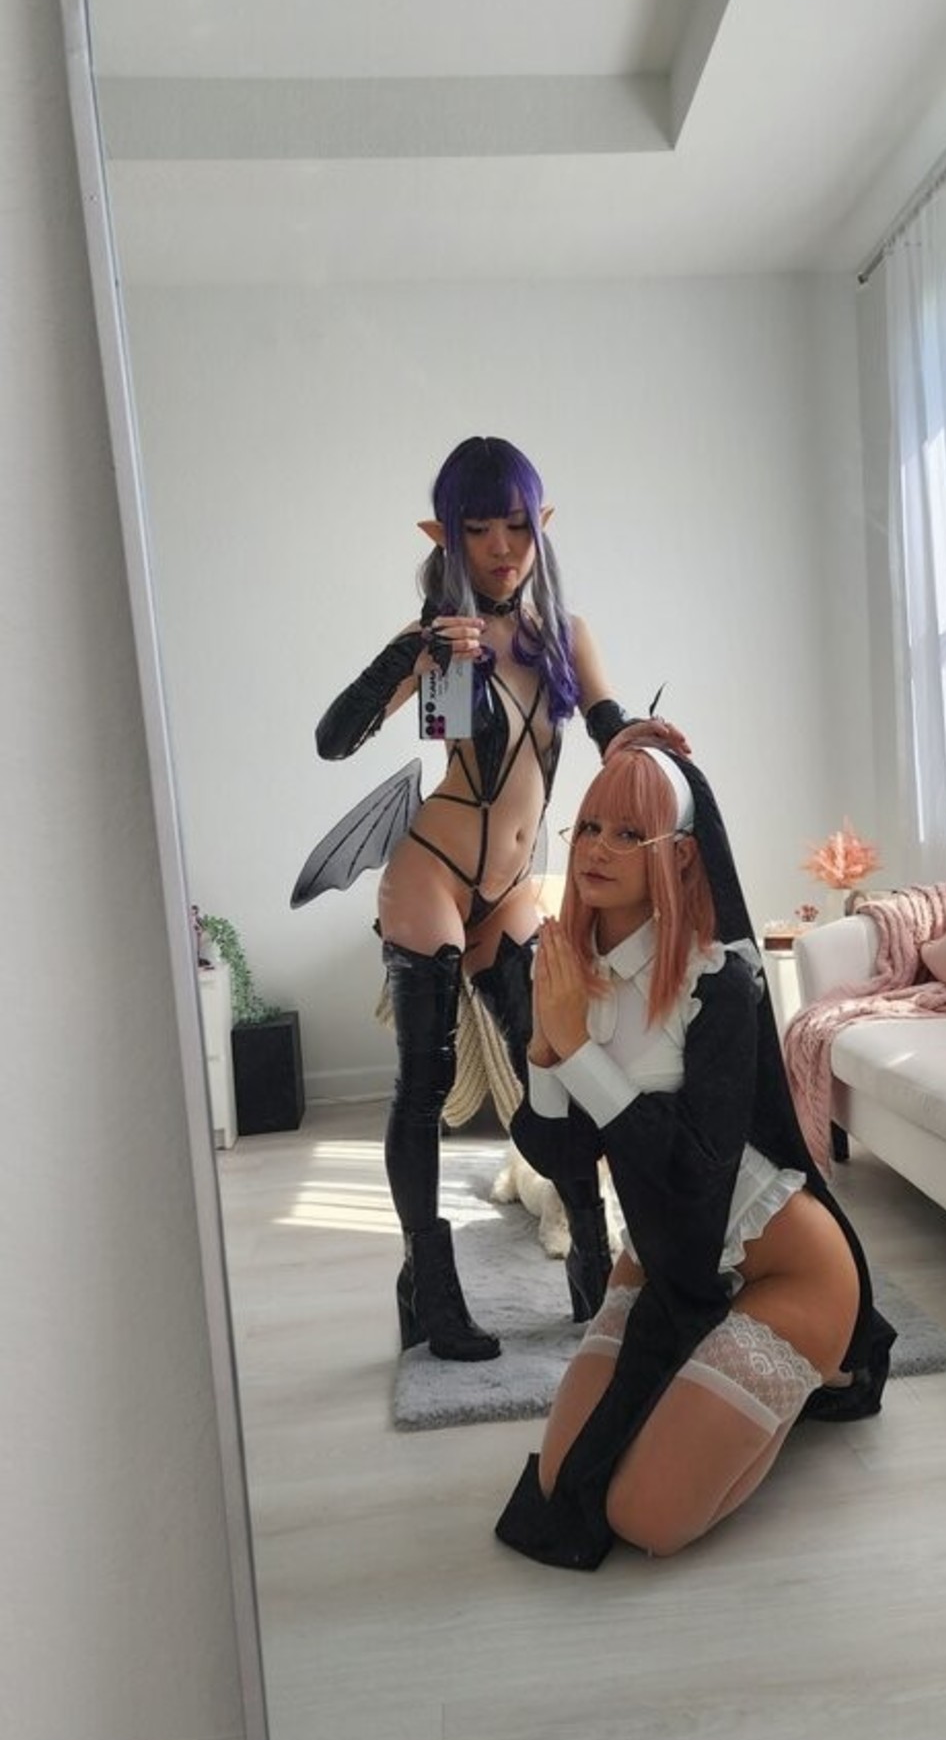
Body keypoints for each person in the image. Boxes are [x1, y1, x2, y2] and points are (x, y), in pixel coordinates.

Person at [292, 435, 688, 1364]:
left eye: (516, 525)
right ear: (447, 534)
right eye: (479, 528)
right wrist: (415, 652)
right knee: (423, 1084)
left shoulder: (564, 636)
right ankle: (428, 1282)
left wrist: (645, 737)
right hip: (431, 871)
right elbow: (332, 740)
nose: (503, 547)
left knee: (557, 1067)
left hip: (509, 887)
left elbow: (607, 730)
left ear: (540, 525)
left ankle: (593, 1258)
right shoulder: (440, 640)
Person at [494, 745, 896, 1570]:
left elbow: (694, 1170)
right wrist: (543, 1049)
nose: (597, 847)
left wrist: (578, 1051)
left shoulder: (719, 985)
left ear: (679, 855)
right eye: (589, 826)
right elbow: (563, 1154)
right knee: (564, 1479)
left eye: (628, 832)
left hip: (786, 1270)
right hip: (664, 1258)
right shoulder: (566, 971)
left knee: (644, 1516)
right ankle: (715, 1386)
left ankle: (786, 1389)